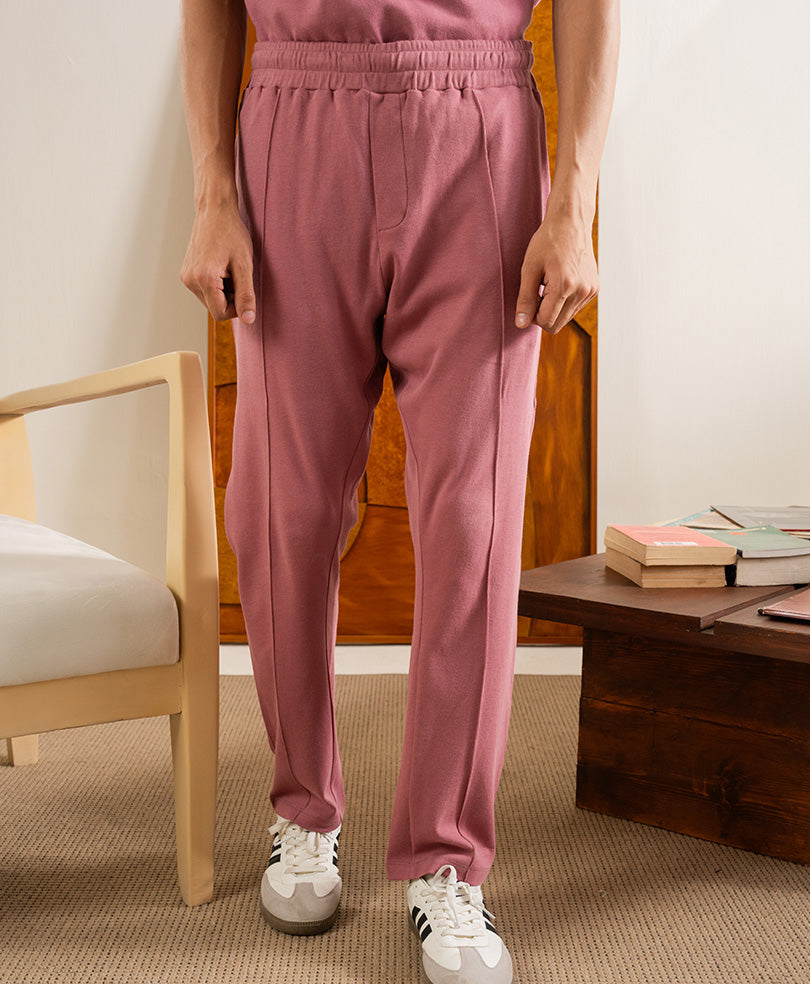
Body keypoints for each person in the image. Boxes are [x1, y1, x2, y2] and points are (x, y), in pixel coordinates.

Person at [179, 1, 619, 981]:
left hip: (481, 129)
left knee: (473, 525)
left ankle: (447, 859)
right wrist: (213, 191)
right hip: (293, 121)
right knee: (282, 514)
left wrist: (573, 205)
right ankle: (303, 810)